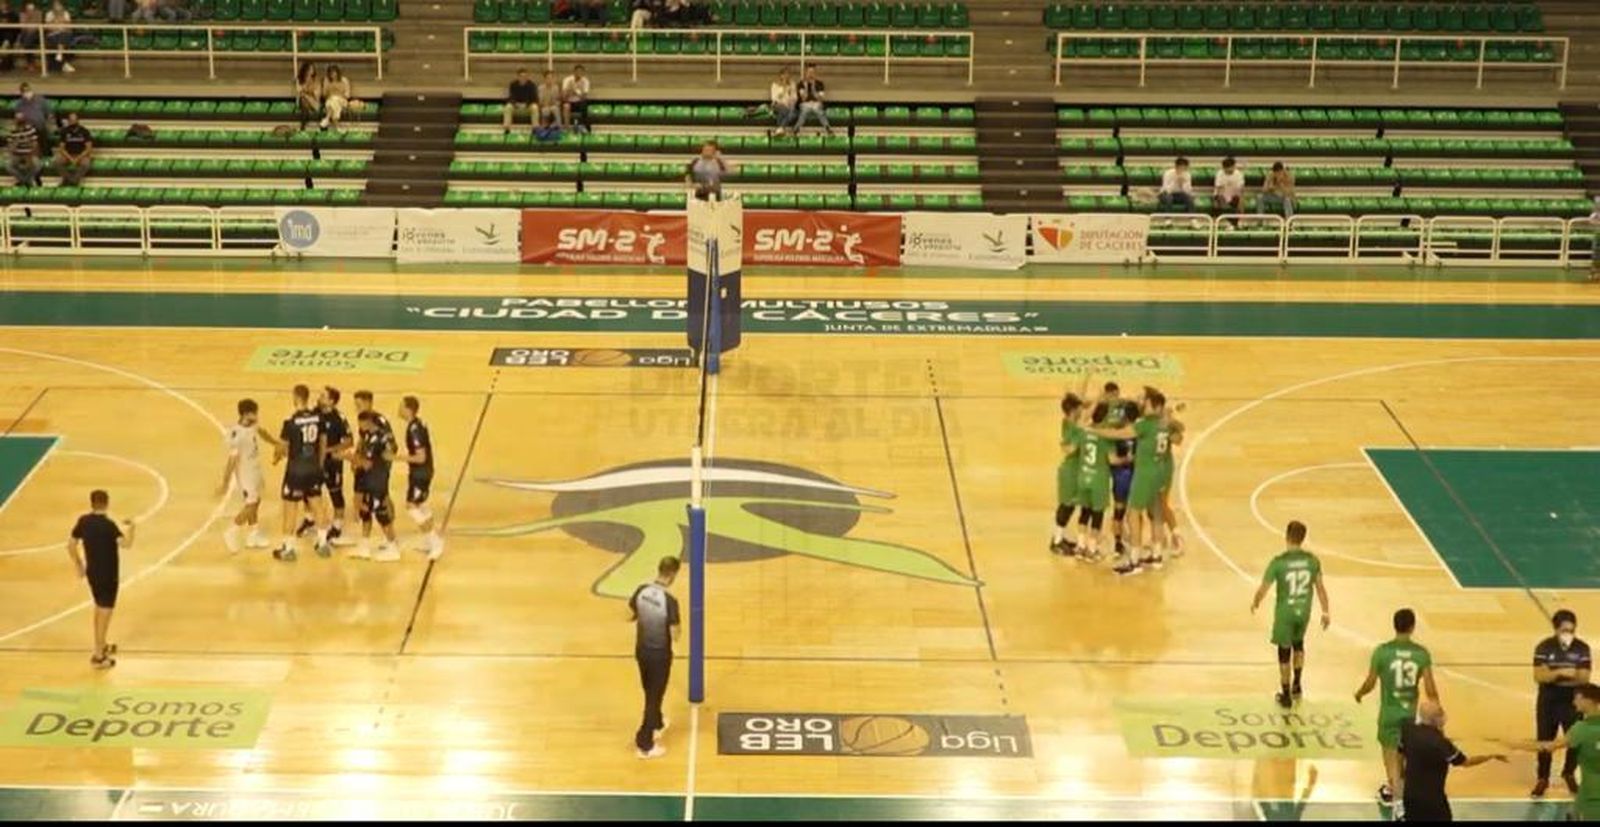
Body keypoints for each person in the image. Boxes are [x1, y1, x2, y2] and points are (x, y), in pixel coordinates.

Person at [1355, 608, 1439, 819]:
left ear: (1395, 625)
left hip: (1389, 715)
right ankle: (1400, 791)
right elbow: (1430, 689)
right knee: (1405, 760)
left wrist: (1359, 693)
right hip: (1411, 716)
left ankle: (1399, 804)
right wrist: (1436, 709)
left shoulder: (1382, 652)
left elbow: (1371, 682)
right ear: (1412, 627)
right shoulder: (1421, 654)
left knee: (1392, 761)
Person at [1251, 520, 1331, 709]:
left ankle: (1285, 693)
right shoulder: (1312, 561)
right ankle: (1297, 685)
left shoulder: (1279, 562)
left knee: (1284, 652)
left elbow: (1264, 587)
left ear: (1286, 536)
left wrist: (1256, 601)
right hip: (1303, 612)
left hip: (1285, 613)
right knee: (1299, 645)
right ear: (1303, 538)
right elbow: (1320, 589)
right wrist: (1326, 611)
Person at [1498, 683, 1600, 822]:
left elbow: (1547, 747)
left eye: (1577, 697)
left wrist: (1515, 745)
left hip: (1591, 799)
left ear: (1588, 700)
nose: (1573, 701)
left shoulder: (1580, 730)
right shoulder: (1581, 729)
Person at [1400, 699, 1507, 822]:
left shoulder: (1408, 729)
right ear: (1435, 719)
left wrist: (1400, 775)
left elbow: (1400, 751)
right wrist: (1490, 756)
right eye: (1440, 713)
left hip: (1410, 796)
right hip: (1433, 800)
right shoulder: (1440, 743)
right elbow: (1466, 762)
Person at [67, 489, 134, 670]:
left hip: (93, 573)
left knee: (98, 609)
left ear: (92, 503)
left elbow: (71, 544)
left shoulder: (84, 521)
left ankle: (101, 644)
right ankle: (98, 656)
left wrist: (79, 565)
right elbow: (126, 544)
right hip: (108, 574)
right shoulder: (109, 526)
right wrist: (132, 528)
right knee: (105, 612)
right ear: (106, 503)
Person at [1531, 609, 1591, 796]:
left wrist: (1553, 673)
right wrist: (1563, 672)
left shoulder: (1582, 648)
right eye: (1565, 630)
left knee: (1574, 740)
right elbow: (1539, 676)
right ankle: (1542, 777)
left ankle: (1569, 773)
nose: (1569, 635)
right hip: (1548, 700)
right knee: (1544, 739)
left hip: (1572, 701)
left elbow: (1583, 678)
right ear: (1556, 630)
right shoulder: (1544, 647)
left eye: (1571, 630)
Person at [272, 384, 333, 562]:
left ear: (296, 398)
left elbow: (282, 448)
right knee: (317, 505)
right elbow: (322, 443)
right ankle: (322, 544)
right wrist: (320, 465)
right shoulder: (318, 418)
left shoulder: (290, 422)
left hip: (295, 471)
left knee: (290, 510)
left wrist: (276, 457)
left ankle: (288, 549)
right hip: (314, 468)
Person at [629, 555, 681, 759]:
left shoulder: (641, 591)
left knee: (649, 689)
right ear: (673, 575)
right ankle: (645, 743)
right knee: (654, 696)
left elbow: (630, 613)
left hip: (641, 651)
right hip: (660, 655)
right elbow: (676, 633)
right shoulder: (670, 601)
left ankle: (657, 722)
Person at [218, 398, 282, 553]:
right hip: (246, 474)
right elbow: (232, 460)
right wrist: (225, 482)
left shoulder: (252, 426)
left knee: (257, 500)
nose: (257, 416)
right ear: (246, 414)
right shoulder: (236, 434)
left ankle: (253, 534)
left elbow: (262, 433)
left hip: (255, 470)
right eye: (254, 413)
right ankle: (232, 529)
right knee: (251, 504)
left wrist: (276, 443)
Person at [348, 410, 401, 562]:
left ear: (367, 422)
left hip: (376, 480)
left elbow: (367, 464)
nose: (359, 426)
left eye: (361, 423)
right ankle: (364, 546)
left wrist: (349, 457)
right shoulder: (376, 435)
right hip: (371, 479)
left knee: (381, 514)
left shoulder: (375, 439)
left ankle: (393, 547)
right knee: (365, 510)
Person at [398, 395, 444, 560]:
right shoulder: (417, 424)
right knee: (422, 505)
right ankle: (429, 541)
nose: (399, 409)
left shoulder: (414, 429)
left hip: (421, 473)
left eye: (401, 406)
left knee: (411, 507)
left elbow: (420, 457)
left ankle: (435, 542)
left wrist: (397, 457)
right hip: (423, 471)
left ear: (409, 409)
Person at [348, 390, 392, 553]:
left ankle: (390, 535)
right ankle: (367, 540)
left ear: (368, 403)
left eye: (359, 404)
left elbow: (390, 446)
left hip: (376, 468)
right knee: (363, 501)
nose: (356, 408)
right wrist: (357, 456)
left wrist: (381, 466)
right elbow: (362, 440)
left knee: (383, 499)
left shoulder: (379, 422)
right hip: (365, 464)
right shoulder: (364, 421)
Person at [315, 386, 352, 545]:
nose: (319, 397)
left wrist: (328, 450)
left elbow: (349, 441)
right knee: (311, 492)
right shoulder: (314, 413)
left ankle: (337, 526)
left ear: (331, 401)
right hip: (315, 461)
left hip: (332, 462)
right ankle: (311, 518)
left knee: (335, 493)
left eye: (323, 396)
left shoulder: (339, 418)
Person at [1049, 392, 1084, 557]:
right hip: (1070, 471)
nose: (1082, 410)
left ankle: (1059, 537)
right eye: (1079, 408)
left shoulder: (1068, 422)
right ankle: (1056, 542)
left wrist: (1087, 377)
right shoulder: (1075, 430)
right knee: (1066, 506)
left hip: (1073, 470)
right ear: (1073, 411)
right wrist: (1071, 446)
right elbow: (1068, 449)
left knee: (1069, 506)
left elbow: (1080, 398)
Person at [54, 110, 91, 186]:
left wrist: (78, 158)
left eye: (74, 120)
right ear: (68, 121)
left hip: (81, 154)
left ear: (78, 120)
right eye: (71, 120)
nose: (73, 122)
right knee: (56, 162)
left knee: (86, 164)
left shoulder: (84, 131)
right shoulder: (64, 131)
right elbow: (61, 148)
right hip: (67, 154)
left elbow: (88, 148)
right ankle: (70, 179)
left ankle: (73, 180)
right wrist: (70, 158)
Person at [793, 64, 831, 136]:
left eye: (812, 72)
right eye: (809, 72)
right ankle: (796, 128)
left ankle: (827, 128)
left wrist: (813, 88)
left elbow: (820, 99)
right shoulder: (801, 84)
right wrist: (806, 87)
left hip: (816, 103)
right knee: (804, 112)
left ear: (815, 73)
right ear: (806, 73)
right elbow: (803, 99)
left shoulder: (820, 84)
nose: (811, 74)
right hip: (805, 104)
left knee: (819, 111)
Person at [6, 112, 40, 187]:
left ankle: (25, 181)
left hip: (29, 153)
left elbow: (35, 145)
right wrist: (16, 140)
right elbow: (11, 148)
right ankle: (25, 181)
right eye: (18, 120)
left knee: (37, 165)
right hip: (17, 154)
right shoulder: (12, 131)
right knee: (8, 166)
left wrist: (30, 154)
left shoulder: (30, 129)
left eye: (21, 120)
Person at [502, 68, 537, 134]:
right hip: (516, 107)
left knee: (535, 107)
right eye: (521, 76)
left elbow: (534, 99)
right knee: (508, 107)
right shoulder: (513, 85)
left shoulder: (532, 85)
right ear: (518, 77)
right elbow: (510, 98)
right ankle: (507, 129)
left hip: (527, 107)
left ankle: (535, 129)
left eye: (525, 76)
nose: (523, 78)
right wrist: (516, 104)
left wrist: (526, 104)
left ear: (528, 77)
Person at [319, 65, 352, 130]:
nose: (333, 75)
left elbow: (347, 95)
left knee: (335, 99)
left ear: (337, 72)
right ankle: (337, 127)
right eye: (331, 73)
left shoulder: (344, 80)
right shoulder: (327, 80)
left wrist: (338, 95)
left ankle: (327, 118)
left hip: (342, 101)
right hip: (330, 100)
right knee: (333, 101)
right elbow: (324, 94)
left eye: (334, 72)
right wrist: (329, 91)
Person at [43, 0, 72, 73]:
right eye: (55, 5)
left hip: (64, 33)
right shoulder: (49, 14)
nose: (57, 7)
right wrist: (58, 23)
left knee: (63, 36)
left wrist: (58, 23)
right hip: (52, 34)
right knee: (58, 38)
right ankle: (62, 61)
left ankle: (59, 55)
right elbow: (48, 27)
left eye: (58, 5)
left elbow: (68, 26)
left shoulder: (66, 13)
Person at [768, 67, 797, 137]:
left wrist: (791, 96)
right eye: (784, 74)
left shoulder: (792, 84)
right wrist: (783, 89)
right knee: (787, 112)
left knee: (793, 114)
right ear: (780, 75)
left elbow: (795, 98)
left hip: (789, 106)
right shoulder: (775, 85)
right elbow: (774, 98)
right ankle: (781, 129)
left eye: (788, 74)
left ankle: (779, 129)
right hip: (777, 105)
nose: (786, 76)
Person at [560, 64, 590, 133]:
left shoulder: (585, 81)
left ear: (583, 73)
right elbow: (563, 97)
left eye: (581, 72)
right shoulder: (567, 80)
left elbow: (584, 97)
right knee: (565, 106)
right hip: (569, 101)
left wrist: (576, 91)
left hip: (579, 102)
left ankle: (582, 127)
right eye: (577, 71)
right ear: (574, 72)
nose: (579, 73)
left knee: (584, 105)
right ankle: (566, 128)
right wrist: (570, 91)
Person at [295, 61, 322, 130]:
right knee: (304, 100)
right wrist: (307, 86)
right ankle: (303, 125)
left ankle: (304, 124)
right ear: (306, 70)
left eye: (313, 69)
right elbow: (299, 91)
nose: (312, 71)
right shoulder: (300, 79)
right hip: (304, 101)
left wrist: (307, 93)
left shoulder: (316, 80)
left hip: (314, 101)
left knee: (306, 98)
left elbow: (317, 94)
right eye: (310, 69)